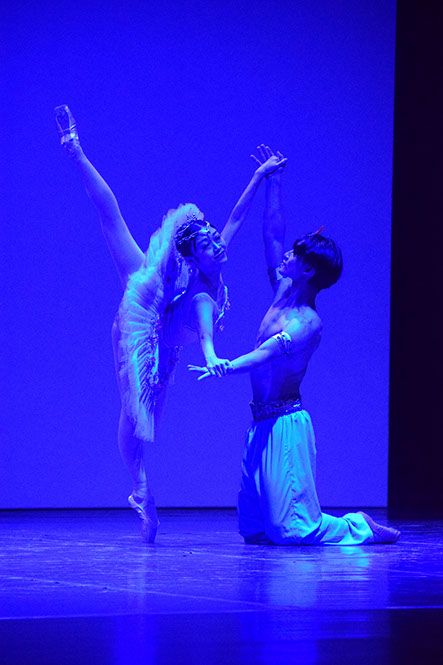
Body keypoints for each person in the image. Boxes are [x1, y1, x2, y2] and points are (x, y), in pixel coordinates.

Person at [55, 108, 286, 542]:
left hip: (163, 326)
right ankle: (75, 149)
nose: (218, 244)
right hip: (143, 326)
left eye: (215, 239)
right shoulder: (201, 297)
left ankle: (141, 487)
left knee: (148, 424)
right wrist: (214, 359)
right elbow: (206, 334)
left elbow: (235, 219)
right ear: (194, 259)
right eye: (208, 243)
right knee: (133, 414)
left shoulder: (210, 261)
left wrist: (259, 176)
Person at [189, 144, 400, 546]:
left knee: (295, 531)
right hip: (261, 423)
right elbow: (272, 233)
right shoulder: (284, 288)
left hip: (286, 426)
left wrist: (226, 365)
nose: (284, 255)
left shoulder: (307, 323)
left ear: (307, 270)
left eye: (295, 255)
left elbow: (266, 353)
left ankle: (356, 526)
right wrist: (275, 181)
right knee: (254, 531)